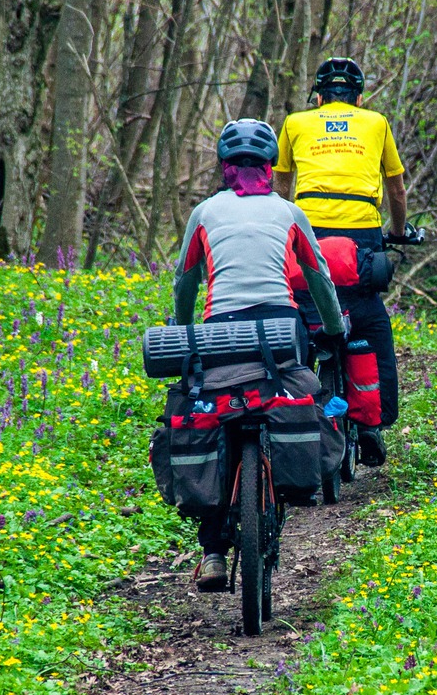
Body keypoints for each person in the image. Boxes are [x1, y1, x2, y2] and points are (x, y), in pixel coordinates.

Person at [173, 118, 345, 592]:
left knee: (218, 412)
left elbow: (185, 280)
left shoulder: (204, 212)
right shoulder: (290, 212)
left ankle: (212, 551)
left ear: (224, 166)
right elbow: (318, 276)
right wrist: (334, 327)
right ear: (270, 166)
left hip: (220, 331)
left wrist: (184, 329)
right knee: (293, 392)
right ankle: (285, 484)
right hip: (280, 329)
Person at [275, 57, 408, 466]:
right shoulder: (376, 123)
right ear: (359, 98)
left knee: (303, 311)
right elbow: (396, 190)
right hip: (361, 236)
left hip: (308, 233)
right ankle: (370, 423)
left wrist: (281, 228)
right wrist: (397, 231)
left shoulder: (295, 123)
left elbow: (281, 183)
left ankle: (291, 414)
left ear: (318, 98)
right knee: (367, 319)